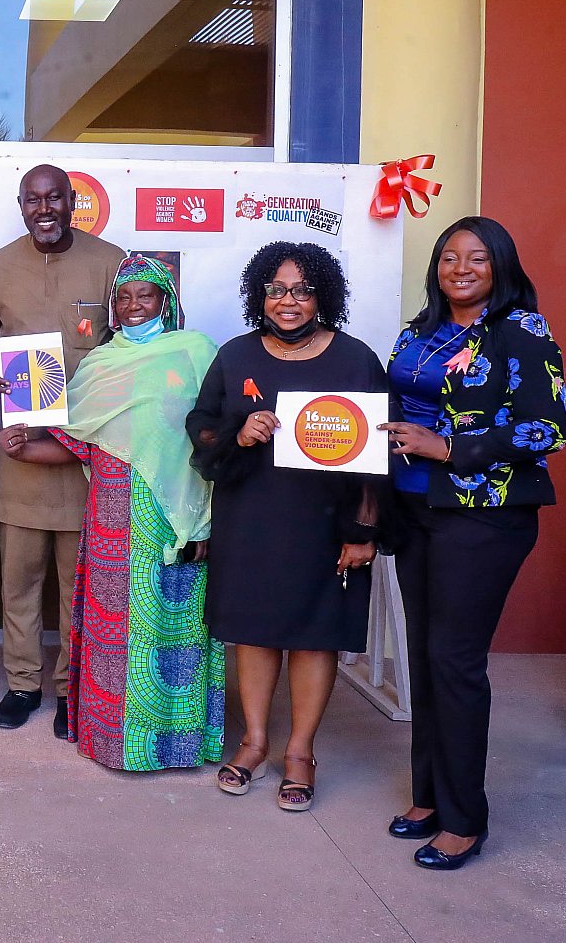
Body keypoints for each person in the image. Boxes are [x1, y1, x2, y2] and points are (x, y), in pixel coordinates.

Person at [379, 216, 566, 869]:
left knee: (455, 660)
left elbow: (549, 428)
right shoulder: (419, 329)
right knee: (427, 657)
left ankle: (465, 819)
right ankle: (429, 796)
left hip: (482, 515)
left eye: (477, 258)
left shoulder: (521, 332)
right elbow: (392, 400)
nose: (459, 267)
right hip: (415, 509)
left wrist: (451, 446)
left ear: (500, 266)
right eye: (449, 256)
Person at [0, 256, 223, 771]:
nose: (133, 305)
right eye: (123, 297)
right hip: (111, 513)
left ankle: (174, 743)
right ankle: (109, 741)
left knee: (171, 631)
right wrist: (25, 446)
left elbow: (217, 435)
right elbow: (82, 440)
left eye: (145, 295)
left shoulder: (197, 354)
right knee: (111, 628)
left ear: (166, 301)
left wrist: (213, 517)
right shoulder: (100, 363)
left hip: (174, 515)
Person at [186, 242, 384, 812]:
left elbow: (374, 453)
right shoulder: (236, 355)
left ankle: (300, 752)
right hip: (252, 517)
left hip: (325, 523)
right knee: (252, 629)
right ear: (259, 294)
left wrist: (364, 529)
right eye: (276, 289)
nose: (288, 301)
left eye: (301, 289)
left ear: (322, 294)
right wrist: (239, 432)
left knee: (313, 633)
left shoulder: (355, 359)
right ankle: (253, 743)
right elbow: (201, 425)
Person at [0, 163, 125, 737]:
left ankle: (71, 688)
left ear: (70, 201)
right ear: (20, 204)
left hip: (89, 452)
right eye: (33, 200)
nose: (44, 209)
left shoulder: (110, 261)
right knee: (19, 578)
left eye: (54, 198)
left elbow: (134, 339)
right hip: (20, 448)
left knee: (78, 583)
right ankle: (21, 683)